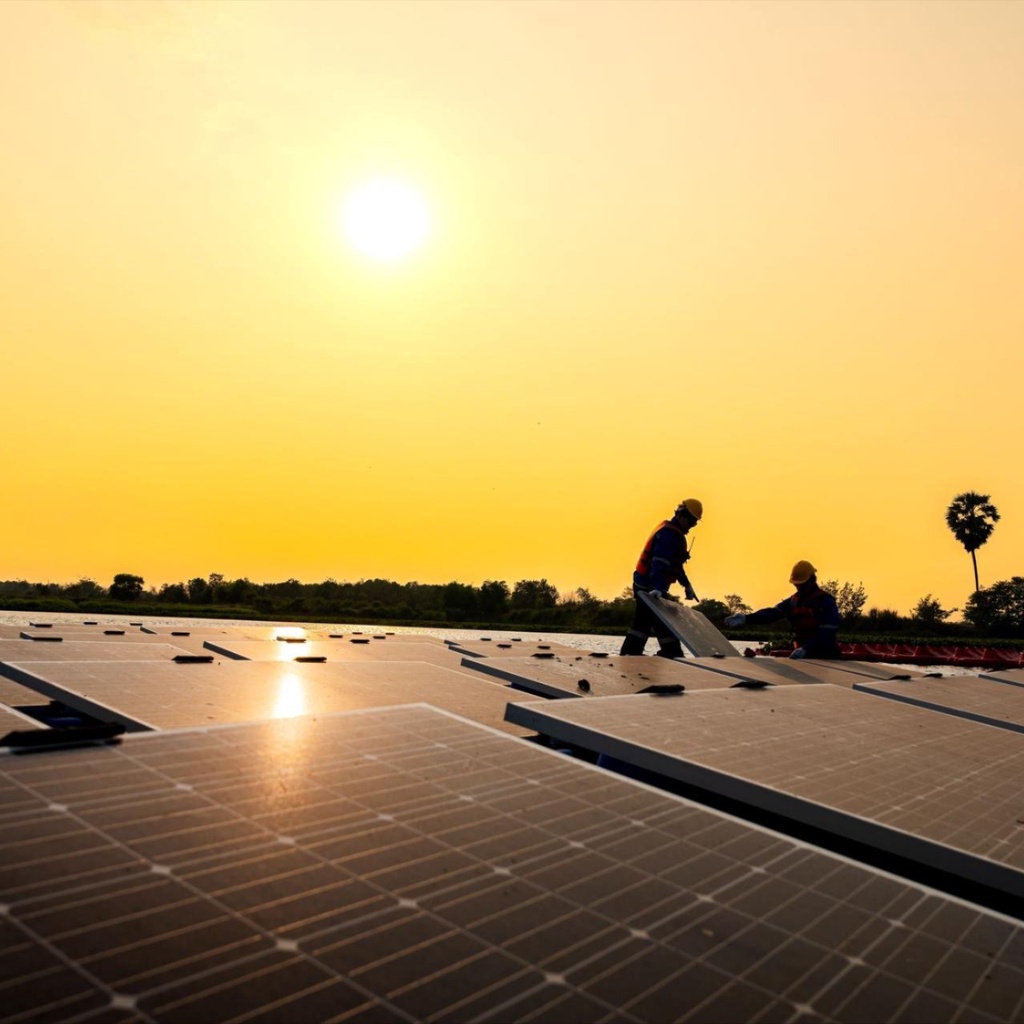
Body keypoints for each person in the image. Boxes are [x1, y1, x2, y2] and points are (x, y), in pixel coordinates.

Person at [619, 498, 702, 658]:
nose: (692, 527)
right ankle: (638, 653)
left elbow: (675, 565)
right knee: (647, 621)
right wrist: (658, 588)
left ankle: (666, 652)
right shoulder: (668, 535)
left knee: (654, 622)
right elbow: (660, 562)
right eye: (692, 522)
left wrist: (686, 585)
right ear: (682, 516)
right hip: (648, 586)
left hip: (652, 586)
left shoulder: (674, 533)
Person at [724, 560, 841, 659]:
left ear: (812, 580)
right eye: (797, 585)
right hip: (803, 657)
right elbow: (772, 614)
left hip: (826, 656)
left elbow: (827, 634)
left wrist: (806, 649)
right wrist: (747, 618)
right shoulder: (794, 601)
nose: (799, 587)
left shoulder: (825, 602)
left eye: (802, 584)